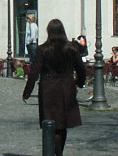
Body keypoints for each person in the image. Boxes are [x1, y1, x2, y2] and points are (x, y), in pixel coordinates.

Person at [22, 19, 85, 156]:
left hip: (49, 89)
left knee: (52, 123)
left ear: (48, 32)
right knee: (62, 124)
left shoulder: (43, 49)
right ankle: (58, 152)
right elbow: (81, 68)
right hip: (67, 87)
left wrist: (27, 91)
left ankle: (56, 153)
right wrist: (79, 82)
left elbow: (34, 72)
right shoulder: (71, 48)